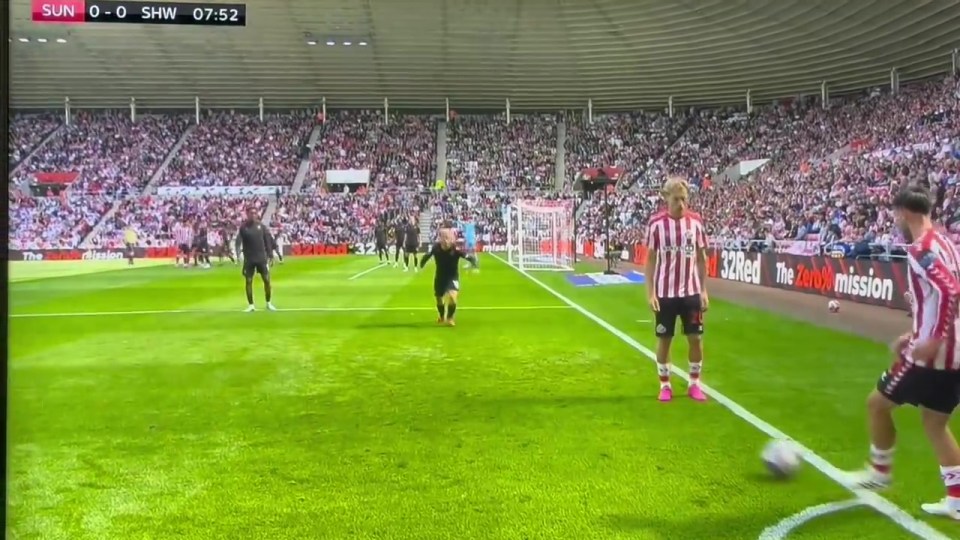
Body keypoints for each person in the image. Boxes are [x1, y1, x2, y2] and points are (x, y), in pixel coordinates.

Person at [844, 185, 960, 520]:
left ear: (906, 212)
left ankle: (879, 473)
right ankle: (956, 500)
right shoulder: (946, 242)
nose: (895, 220)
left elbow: (950, 291)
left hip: (932, 356)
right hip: (952, 353)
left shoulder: (922, 247)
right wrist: (915, 332)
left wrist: (933, 338)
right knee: (935, 423)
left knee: (877, 404)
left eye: (896, 214)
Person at [644, 176, 709, 403]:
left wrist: (703, 291)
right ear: (666, 199)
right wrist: (650, 293)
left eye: (684, 199)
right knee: (665, 339)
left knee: (696, 338)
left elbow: (702, 259)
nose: (681, 204)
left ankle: (694, 383)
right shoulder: (656, 225)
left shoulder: (696, 223)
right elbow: (650, 260)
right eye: (676, 199)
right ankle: (665, 385)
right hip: (665, 294)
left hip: (690, 293)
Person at [420, 225, 477, 326]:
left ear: (451, 238)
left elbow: (468, 256)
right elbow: (427, 256)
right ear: (440, 238)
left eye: (448, 237)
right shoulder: (436, 247)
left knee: (452, 296)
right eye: (443, 237)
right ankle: (442, 316)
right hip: (440, 277)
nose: (446, 240)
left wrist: (474, 263)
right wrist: (422, 263)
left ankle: (450, 318)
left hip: (452, 277)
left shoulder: (455, 248)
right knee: (439, 299)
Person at [238, 208, 276, 312]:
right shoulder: (243, 228)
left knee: (267, 280)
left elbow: (267, 240)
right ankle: (251, 305)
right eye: (251, 213)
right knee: (248, 281)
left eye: (255, 213)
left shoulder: (261, 226)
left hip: (261, 258)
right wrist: (238, 255)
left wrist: (270, 255)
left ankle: (268, 303)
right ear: (247, 214)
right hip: (249, 259)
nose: (253, 215)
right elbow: (239, 241)